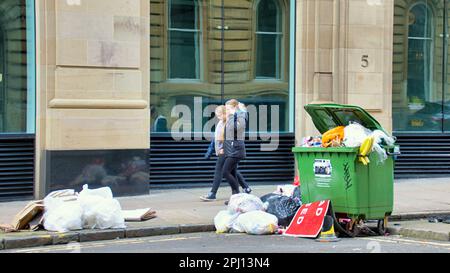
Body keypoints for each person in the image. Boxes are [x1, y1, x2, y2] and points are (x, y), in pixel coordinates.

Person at [200, 106, 251, 202]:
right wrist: (211, 150)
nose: (218, 117)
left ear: (224, 114)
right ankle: (244, 189)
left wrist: (222, 148)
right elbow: (215, 138)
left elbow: (227, 138)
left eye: (219, 115)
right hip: (227, 150)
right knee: (232, 171)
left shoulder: (228, 123)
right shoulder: (222, 122)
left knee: (220, 170)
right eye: (217, 115)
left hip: (227, 151)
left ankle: (213, 193)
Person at [222, 99, 247, 195]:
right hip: (230, 150)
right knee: (232, 172)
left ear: (234, 108)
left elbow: (235, 128)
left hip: (236, 150)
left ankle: (237, 195)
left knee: (225, 172)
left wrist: (232, 115)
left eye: (228, 109)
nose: (227, 111)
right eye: (226, 109)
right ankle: (235, 196)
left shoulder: (241, 116)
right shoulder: (233, 117)